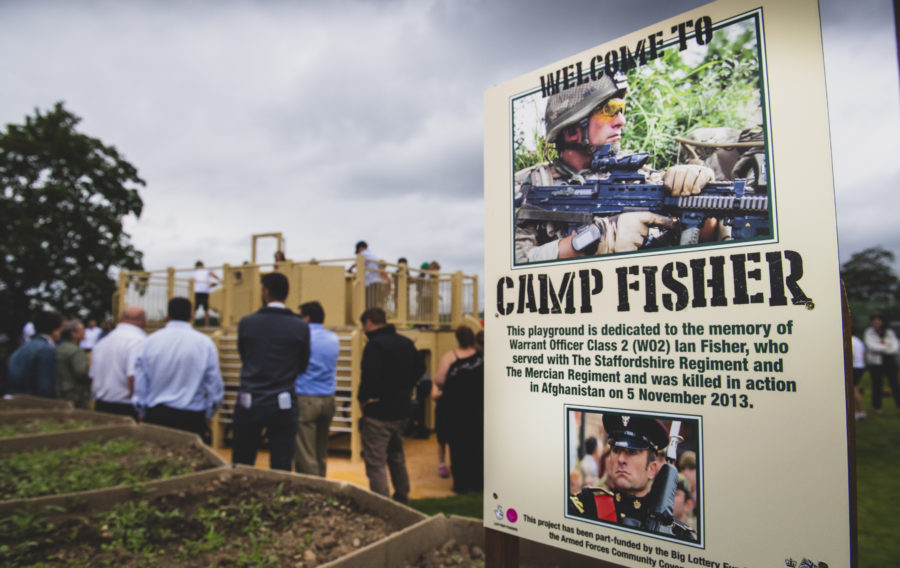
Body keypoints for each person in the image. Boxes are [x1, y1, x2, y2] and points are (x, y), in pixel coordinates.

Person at [515, 73, 715, 264]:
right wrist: (595, 240)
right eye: (609, 110)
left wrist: (699, 197)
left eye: (621, 109)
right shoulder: (525, 186)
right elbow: (510, 262)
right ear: (572, 130)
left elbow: (703, 241)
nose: (621, 121)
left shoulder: (640, 179)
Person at [569, 414, 695, 541]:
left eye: (632, 452)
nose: (621, 459)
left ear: (651, 469)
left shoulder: (675, 533)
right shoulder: (587, 504)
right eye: (617, 450)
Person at [234, 272, 310, 471]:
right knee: (282, 464)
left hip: (250, 399)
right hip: (283, 401)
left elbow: (245, 356)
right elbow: (302, 364)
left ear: (265, 292)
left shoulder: (247, 322)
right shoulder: (300, 326)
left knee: (243, 461)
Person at [358, 307, 424, 503]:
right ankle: (403, 497)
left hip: (379, 412)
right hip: (402, 409)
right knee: (396, 455)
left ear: (369, 321)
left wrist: (366, 398)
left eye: (363, 325)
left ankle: (383, 506)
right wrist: (404, 388)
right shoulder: (406, 343)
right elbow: (420, 368)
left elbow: (370, 376)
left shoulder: (375, 346)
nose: (363, 330)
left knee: (376, 463)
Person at [131, 297, 224, 438]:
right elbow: (214, 384)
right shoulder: (205, 343)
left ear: (167, 316)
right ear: (191, 316)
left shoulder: (148, 342)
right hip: (191, 416)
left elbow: (140, 385)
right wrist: (208, 413)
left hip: (156, 414)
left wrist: (143, 411)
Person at [433, 325, 484, 493]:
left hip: (455, 410)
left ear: (457, 339)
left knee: (458, 447)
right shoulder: (480, 359)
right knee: (476, 445)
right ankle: (477, 482)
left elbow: (439, 380)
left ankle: (461, 484)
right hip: (477, 410)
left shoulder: (450, 358)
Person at [293, 301, 338, 476]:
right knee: (321, 452)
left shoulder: (302, 337)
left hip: (306, 397)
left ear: (307, 318)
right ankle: (323, 486)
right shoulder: (333, 338)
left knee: (306, 454)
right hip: (328, 399)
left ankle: (311, 491)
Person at [90, 306, 147, 418]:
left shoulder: (101, 342)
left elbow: (92, 377)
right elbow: (132, 378)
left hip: (101, 405)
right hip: (125, 407)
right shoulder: (138, 341)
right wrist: (139, 410)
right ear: (144, 321)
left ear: (120, 319)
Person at [7, 310, 63, 397]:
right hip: (34, 403)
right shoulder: (46, 350)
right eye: (60, 330)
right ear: (54, 330)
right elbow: (45, 388)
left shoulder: (21, 349)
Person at [864, 311, 900, 415]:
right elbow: (872, 346)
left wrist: (885, 349)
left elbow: (895, 347)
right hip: (875, 363)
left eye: (878, 320)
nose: (876, 323)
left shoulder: (889, 332)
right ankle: (877, 407)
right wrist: (886, 347)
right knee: (877, 385)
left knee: (894, 384)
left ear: (883, 322)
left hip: (889, 361)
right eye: (874, 321)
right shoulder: (869, 332)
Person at [56, 319, 91, 408]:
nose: (84, 332)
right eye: (82, 330)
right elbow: (82, 372)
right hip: (75, 394)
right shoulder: (76, 351)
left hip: (60, 391)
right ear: (73, 333)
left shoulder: (58, 348)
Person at [193, 261, 220, 327]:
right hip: (204, 292)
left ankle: (192, 323)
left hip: (197, 291)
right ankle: (206, 325)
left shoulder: (195, 272)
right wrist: (220, 279)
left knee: (194, 309)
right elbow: (213, 274)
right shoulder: (206, 270)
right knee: (206, 309)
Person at [852, 333, 868, 420]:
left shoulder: (849, 340)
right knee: (855, 388)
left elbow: (851, 355)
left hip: (854, 366)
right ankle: (859, 411)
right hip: (861, 366)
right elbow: (864, 354)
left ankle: (861, 412)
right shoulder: (858, 340)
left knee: (854, 390)